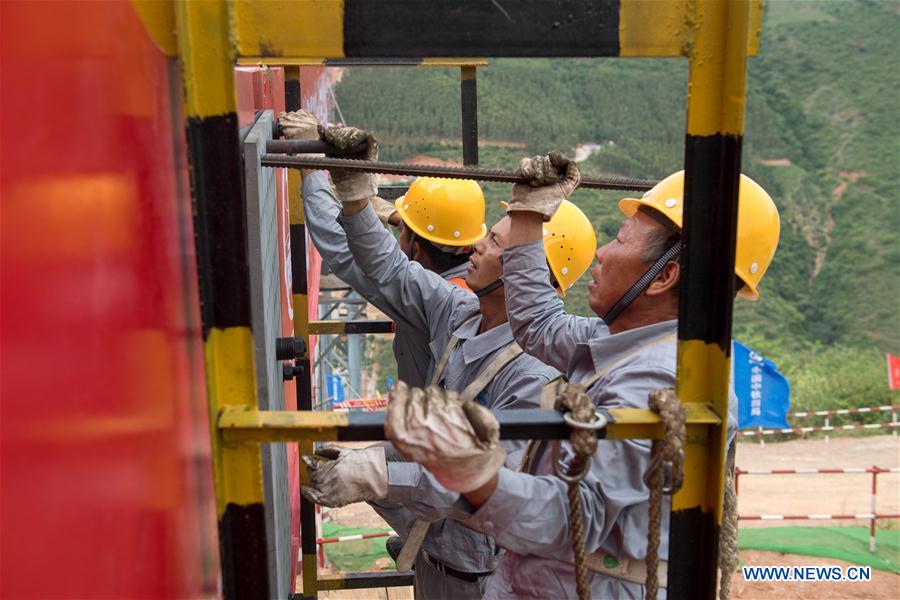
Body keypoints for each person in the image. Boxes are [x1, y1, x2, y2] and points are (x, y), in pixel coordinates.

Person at [385, 153, 781, 599]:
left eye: (619, 240)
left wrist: (466, 468)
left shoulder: (657, 381)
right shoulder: (626, 343)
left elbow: (567, 518)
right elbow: (537, 323)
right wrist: (528, 215)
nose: (603, 253)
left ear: (664, 276)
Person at [297, 128, 597, 598]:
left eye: (496, 244)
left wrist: (376, 474)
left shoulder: (533, 374)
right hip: (436, 553)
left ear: (530, 267)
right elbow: (390, 270)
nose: (475, 247)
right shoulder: (461, 311)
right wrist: (355, 195)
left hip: (474, 576)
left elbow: (489, 482)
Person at [279, 110, 485, 389]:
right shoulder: (478, 279)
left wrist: (312, 166)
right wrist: (395, 217)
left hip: (425, 424)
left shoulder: (422, 298)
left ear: (417, 249)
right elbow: (440, 233)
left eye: (403, 233)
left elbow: (342, 247)